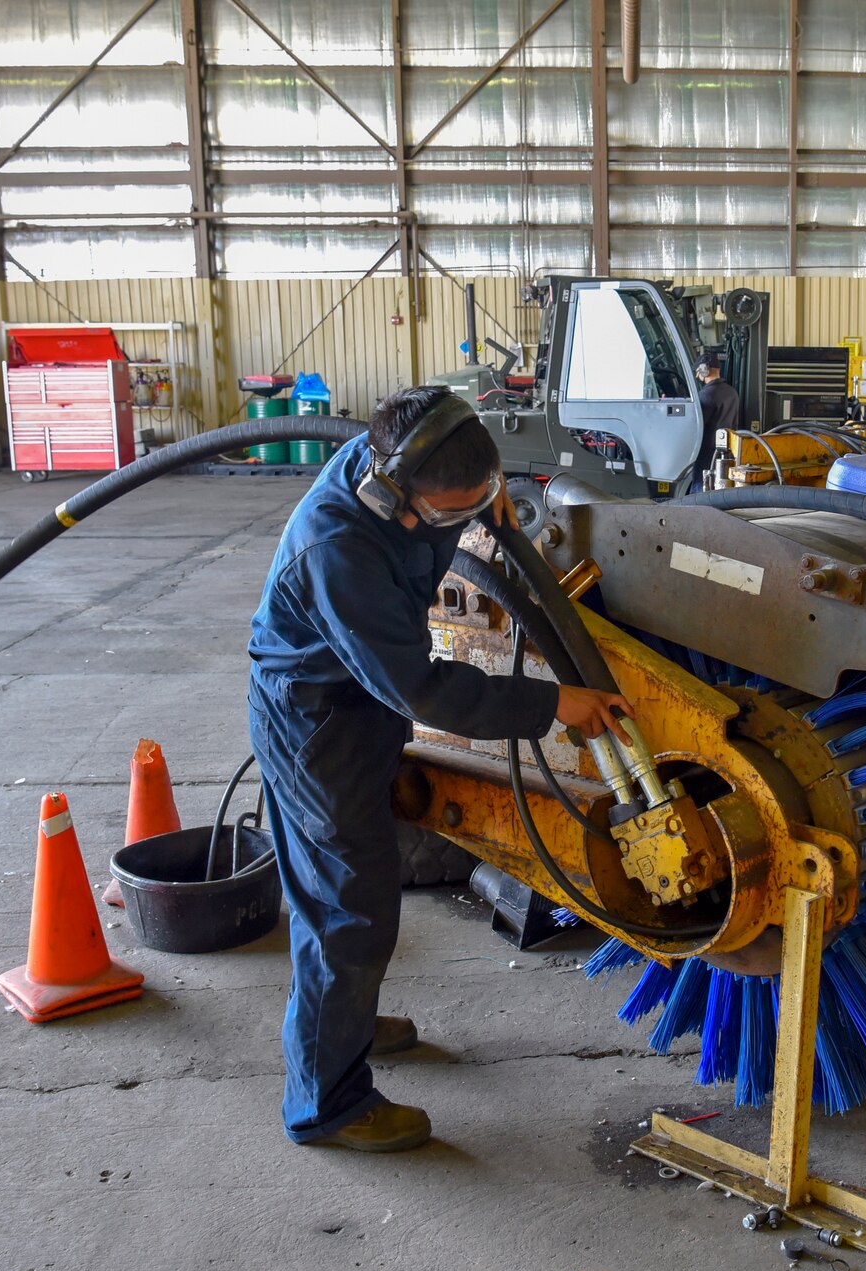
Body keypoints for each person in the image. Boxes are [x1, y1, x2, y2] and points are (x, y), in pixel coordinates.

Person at [247, 385, 632, 1152]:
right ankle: (327, 1101)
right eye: (447, 511)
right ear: (389, 489)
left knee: (347, 901)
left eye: (475, 499)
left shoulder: (424, 460)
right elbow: (423, 689)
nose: (461, 522)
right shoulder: (339, 548)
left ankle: (339, 1027)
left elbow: (454, 505)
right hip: (320, 724)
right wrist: (555, 704)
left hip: (359, 705)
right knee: (348, 911)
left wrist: (485, 506)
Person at [691, 359, 743, 489]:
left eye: (698, 372)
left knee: (699, 491)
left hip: (706, 456)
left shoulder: (706, 395)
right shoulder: (732, 393)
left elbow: (695, 427)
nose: (698, 376)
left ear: (704, 370)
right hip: (727, 454)